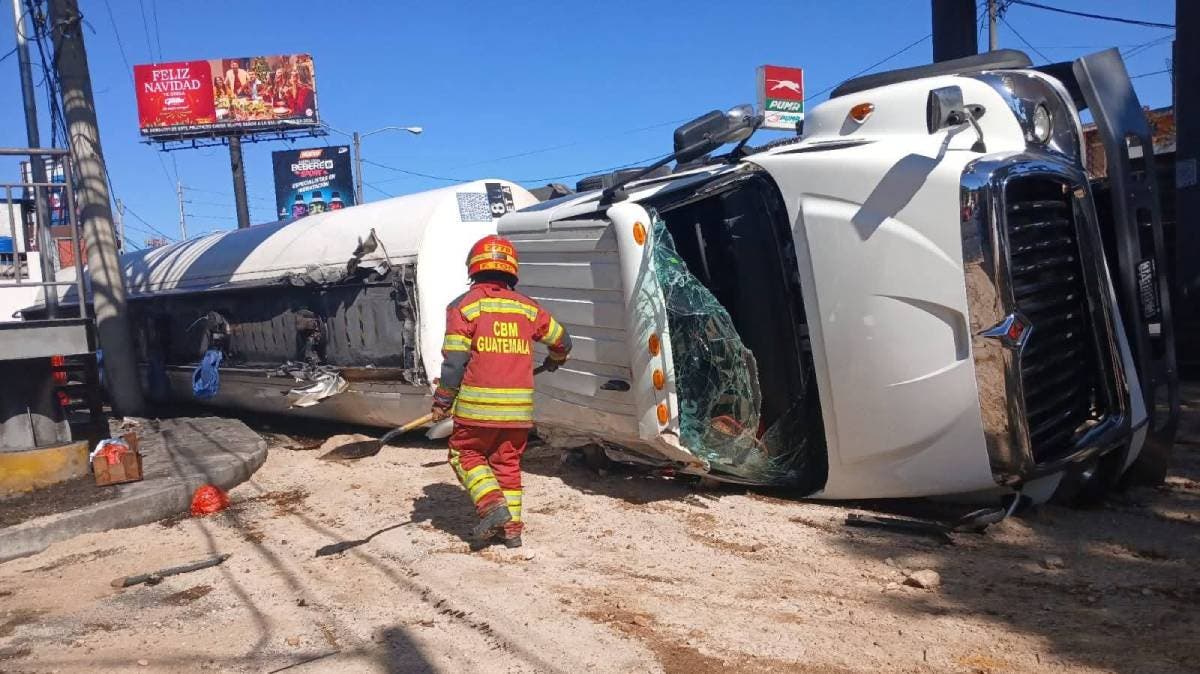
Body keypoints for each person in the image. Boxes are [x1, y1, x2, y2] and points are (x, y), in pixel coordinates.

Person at [432, 235, 572, 549]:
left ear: (473, 268)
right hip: (518, 412)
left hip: (476, 408)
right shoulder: (527, 308)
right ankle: (511, 531)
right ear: (511, 270)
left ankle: (492, 505)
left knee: (464, 454)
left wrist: (442, 400)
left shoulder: (464, 307)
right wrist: (556, 359)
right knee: (506, 464)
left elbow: (454, 362)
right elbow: (563, 341)